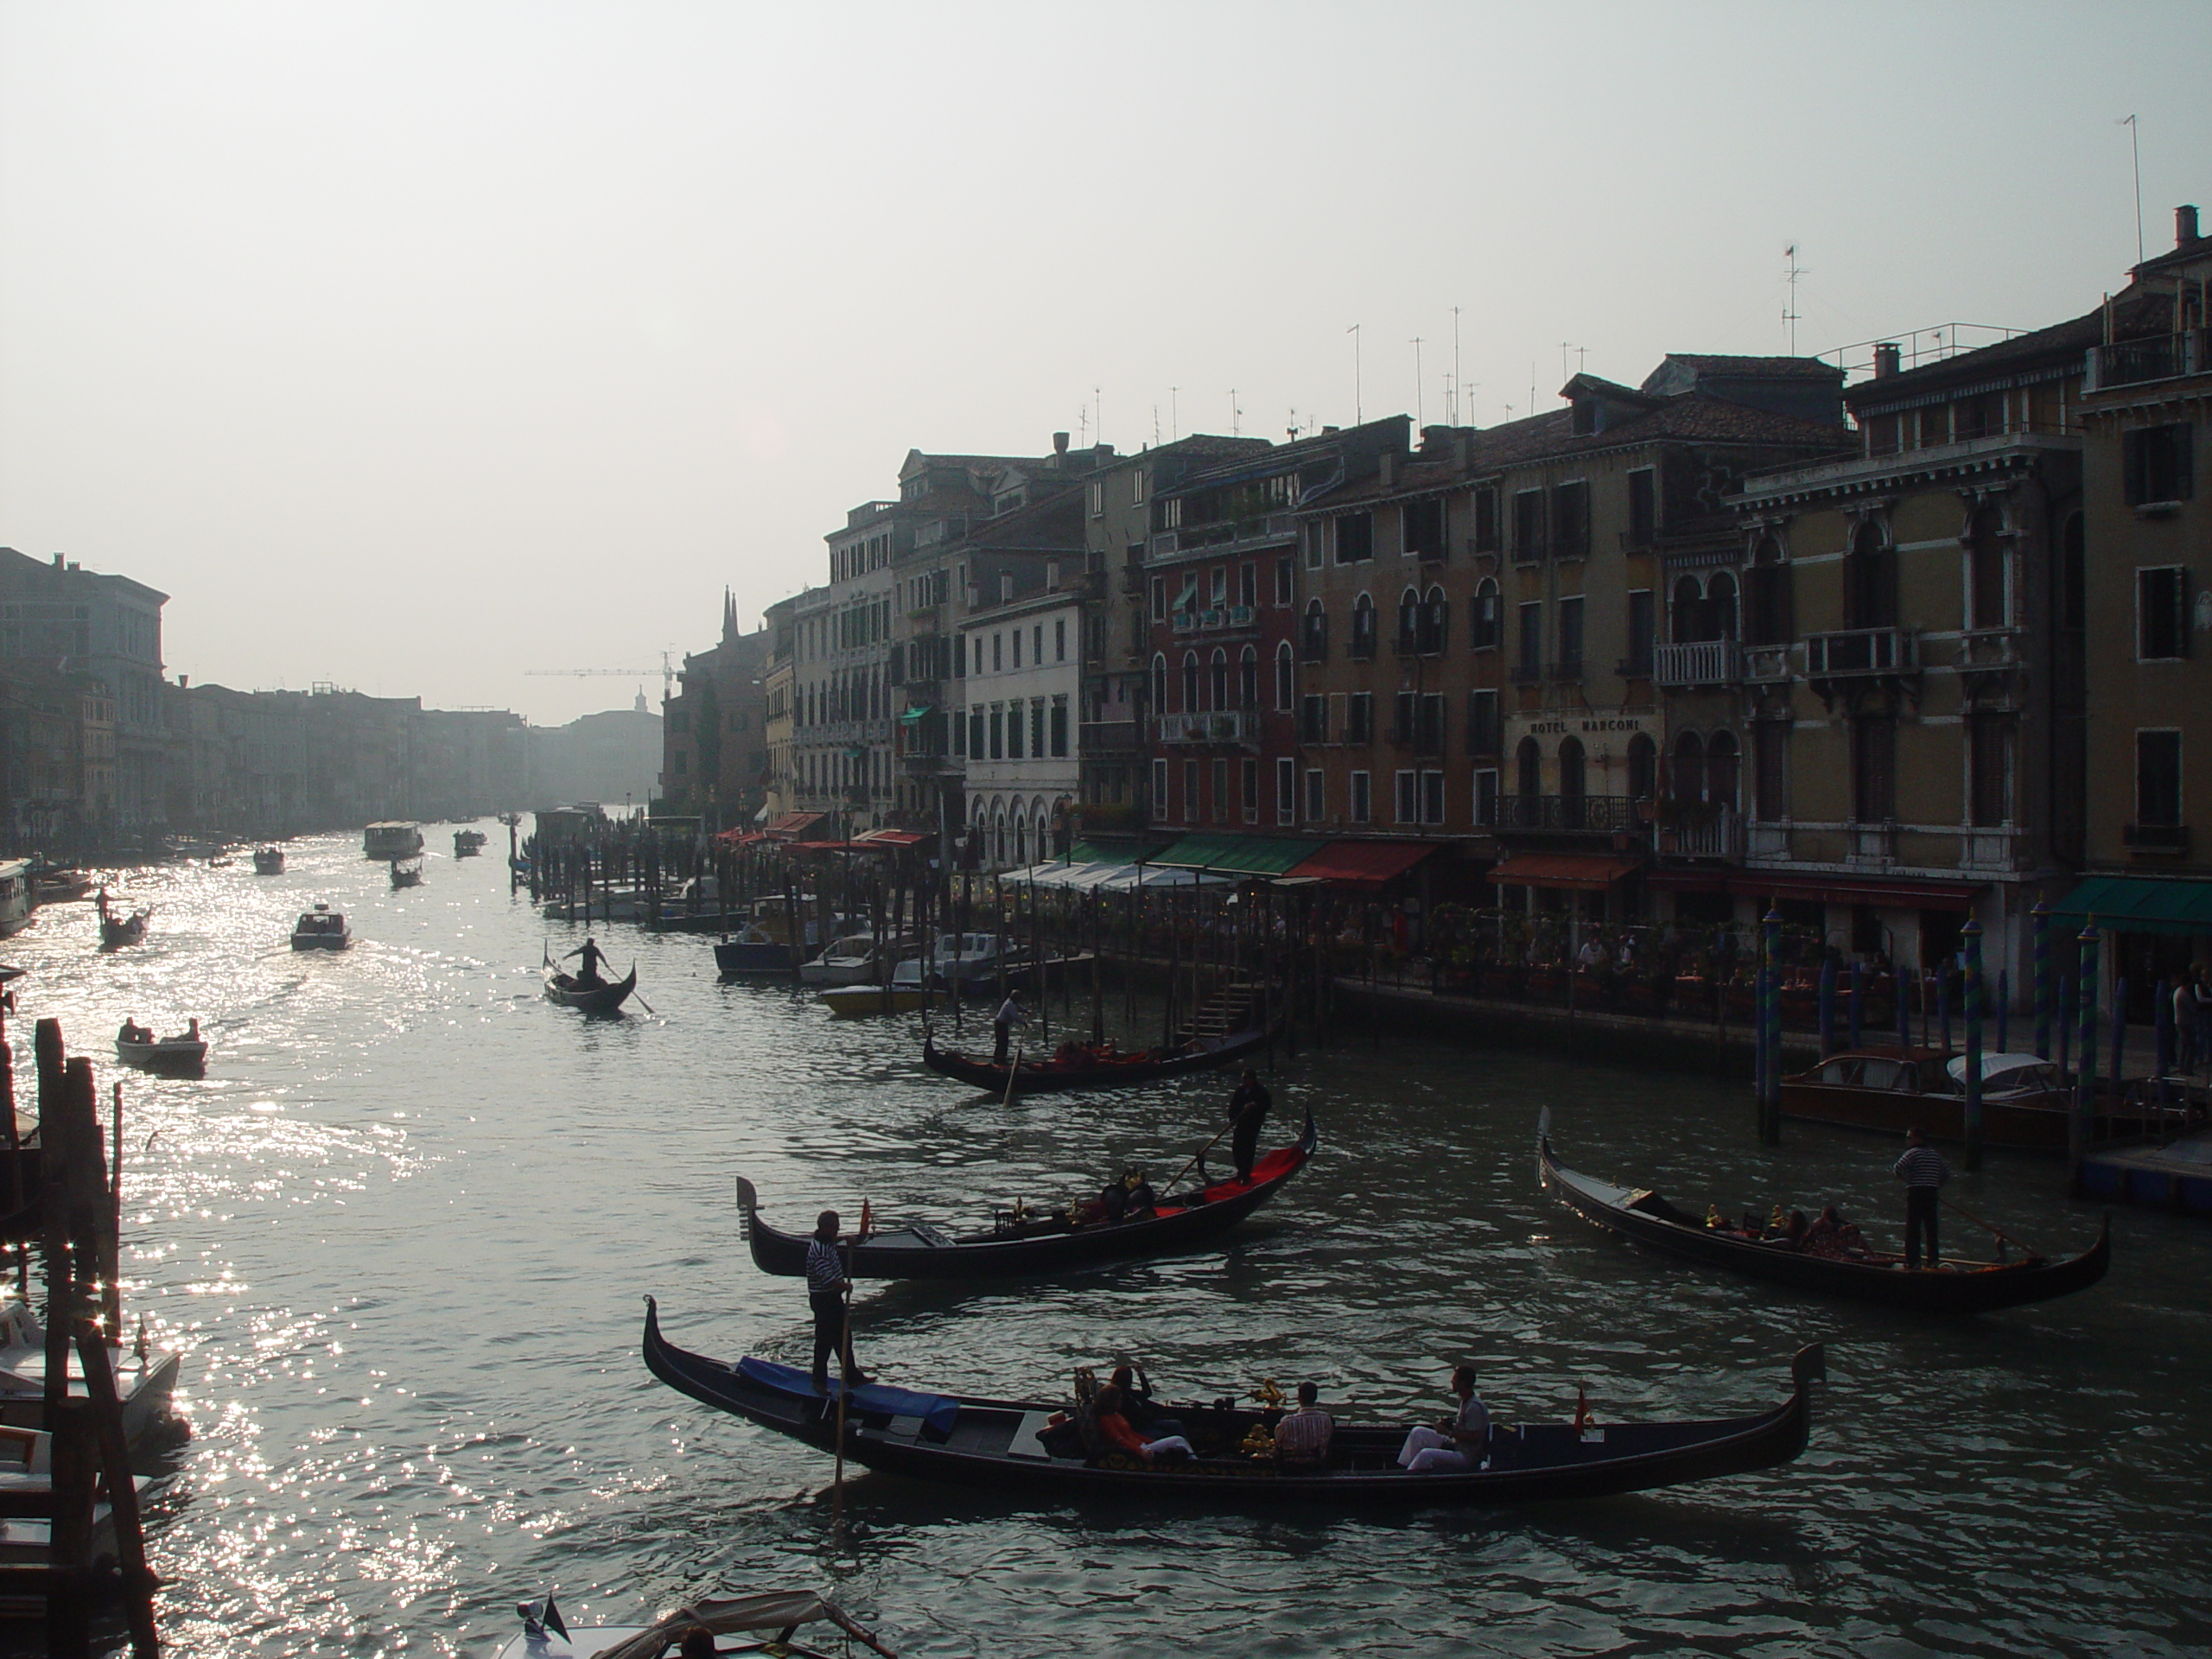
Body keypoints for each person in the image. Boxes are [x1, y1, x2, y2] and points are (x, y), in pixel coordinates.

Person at [804, 1210, 868, 1389]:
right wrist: (845, 1287)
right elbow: (828, 1280)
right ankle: (819, 1381)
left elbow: (832, 1240)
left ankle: (852, 1376)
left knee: (843, 1338)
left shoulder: (825, 1240)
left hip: (831, 1299)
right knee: (825, 1341)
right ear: (825, 1228)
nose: (837, 1230)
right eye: (835, 1227)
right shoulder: (819, 1250)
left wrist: (844, 1238)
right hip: (824, 1300)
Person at [1399, 1363, 1489, 1472]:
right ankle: (1404, 1469)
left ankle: (1409, 1478)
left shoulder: (1474, 1407)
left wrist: (1448, 1433)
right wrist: (1450, 1425)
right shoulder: (1465, 1401)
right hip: (1456, 1444)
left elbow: (1474, 1437)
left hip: (1467, 1456)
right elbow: (1464, 1427)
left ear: (1463, 1383)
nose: (1451, 1381)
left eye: (1455, 1379)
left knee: (1426, 1454)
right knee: (1418, 1433)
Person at [1892, 1127, 1953, 1269]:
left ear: (1917, 1139)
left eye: (1909, 1138)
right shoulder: (1934, 1155)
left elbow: (1897, 1169)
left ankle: (1913, 1261)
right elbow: (1946, 1173)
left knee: (1913, 1228)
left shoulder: (1912, 1153)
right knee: (1931, 1227)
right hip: (1932, 1193)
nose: (1907, 1141)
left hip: (1916, 1192)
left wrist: (1907, 1179)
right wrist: (1936, 1185)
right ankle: (1933, 1260)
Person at [1092, 1382, 1193, 1464]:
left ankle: (1192, 1460)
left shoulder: (1115, 1414)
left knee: (1177, 1443)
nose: (1121, 1401)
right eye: (1119, 1399)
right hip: (1136, 1451)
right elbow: (1119, 1440)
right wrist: (1141, 1451)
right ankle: (1195, 1462)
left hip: (1142, 1446)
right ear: (1112, 1401)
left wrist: (1151, 1442)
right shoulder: (1105, 1419)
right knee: (1178, 1440)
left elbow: (1131, 1433)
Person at [1109, 1363, 1185, 1440]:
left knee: (1176, 1425)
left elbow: (1147, 1393)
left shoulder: (1130, 1393)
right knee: (1165, 1435)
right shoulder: (1118, 1396)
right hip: (1139, 1429)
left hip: (1149, 1423)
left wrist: (1141, 1374)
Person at [1273, 1382, 1334, 1469]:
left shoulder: (1286, 1422)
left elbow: (1278, 1443)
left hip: (1289, 1468)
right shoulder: (1326, 1420)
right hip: (1316, 1467)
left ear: (1299, 1398)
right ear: (1315, 1397)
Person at [1226, 1068, 1271, 1185]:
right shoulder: (1240, 1091)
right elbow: (1233, 1106)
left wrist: (1254, 1104)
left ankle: (1246, 1175)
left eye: (1245, 1078)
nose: (1243, 1080)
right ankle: (1240, 1171)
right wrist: (1232, 1119)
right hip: (1241, 1122)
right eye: (1243, 1078)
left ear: (1252, 1079)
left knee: (1248, 1149)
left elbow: (1267, 1104)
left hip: (1253, 1123)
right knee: (1236, 1147)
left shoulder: (1260, 1091)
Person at [992, 991, 1027, 1064]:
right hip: (1000, 1024)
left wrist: (1025, 1011)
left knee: (1003, 1043)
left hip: (1003, 1024)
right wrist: (1023, 1023)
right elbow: (1015, 1017)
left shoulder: (1013, 1003)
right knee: (1002, 1043)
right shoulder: (1009, 1004)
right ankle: (999, 1060)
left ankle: (1000, 1059)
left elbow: (1018, 1006)